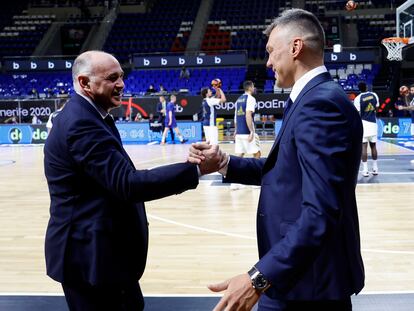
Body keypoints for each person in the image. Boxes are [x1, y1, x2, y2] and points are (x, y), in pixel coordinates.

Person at [190, 9, 364, 311]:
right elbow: (285, 172)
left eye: (271, 51)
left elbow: (320, 211)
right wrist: (224, 163)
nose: (268, 62)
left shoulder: (320, 104)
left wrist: (258, 278)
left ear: (295, 48)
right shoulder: (313, 98)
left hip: (308, 283)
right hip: (298, 276)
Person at [43, 50, 224, 310]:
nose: (121, 84)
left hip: (101, 256)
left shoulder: (91, 116)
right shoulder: (81, 123)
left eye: (122, 76)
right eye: (112, 78)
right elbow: (128, 184)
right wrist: (195, 169)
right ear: (85, 83)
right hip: (89, 258)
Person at [230, 80, 261, 190]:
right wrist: (251, 131)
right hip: (247, 132)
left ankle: (234, 182)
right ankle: (255, 181)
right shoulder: (251, 99)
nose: (254, 88)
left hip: (239, 132)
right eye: (253, 86)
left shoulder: (238, 99)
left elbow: (235, 117)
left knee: (239, 156)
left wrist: (236, 130)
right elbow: (248, 114)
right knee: (257, 154)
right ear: (250, 87)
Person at [353, 82, 380, 177]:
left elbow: (358, 112)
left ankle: (365, 170)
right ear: (367, 87)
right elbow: (377, 107)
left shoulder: (357, 98)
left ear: (359, 89)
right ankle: (375, 168)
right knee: (373, 146)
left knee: (364, 147)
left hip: (364, 123)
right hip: (373, 123)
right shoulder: (374, 95)